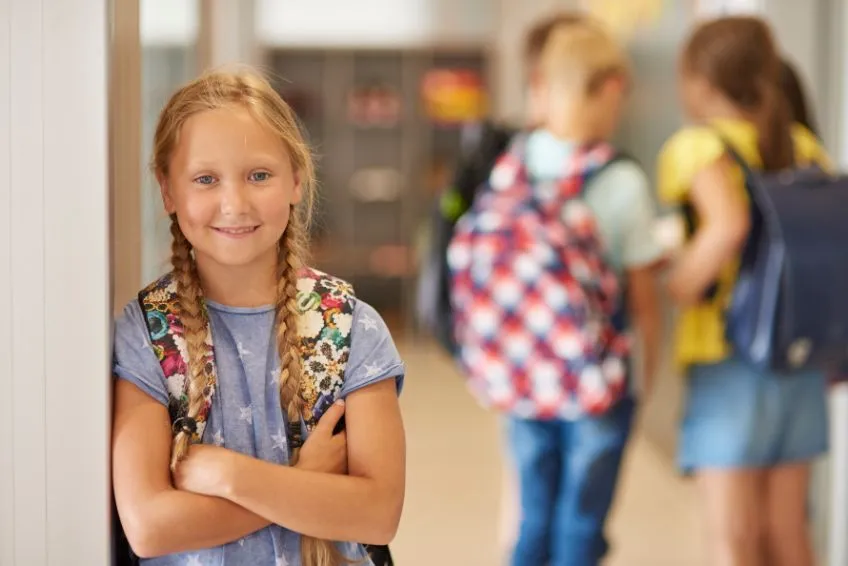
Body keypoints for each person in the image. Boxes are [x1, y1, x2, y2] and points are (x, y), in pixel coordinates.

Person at [111, 68, 406, 566]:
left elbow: (378, 514)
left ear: (296, 179)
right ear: (167, 191)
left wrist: (231, 476)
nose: (235, 203)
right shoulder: (147, 332)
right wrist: (303, 481)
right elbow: (150, 527)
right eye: (206, 179)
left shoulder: (353, 327)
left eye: (259, 175)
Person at [658, 17, 830, 566]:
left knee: (733, 537)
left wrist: (681, 284)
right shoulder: (804, 145)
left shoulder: (696, 145)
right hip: (798, 358)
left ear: (700, 83)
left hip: (728, 358)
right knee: (787, 531)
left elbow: (727, 224)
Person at [495, 17, 664, 566]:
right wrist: (646, 379)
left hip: (524, 376)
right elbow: (642, 303)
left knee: (534, 515)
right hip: (597, 381)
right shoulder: (622, 181)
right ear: (611, 87)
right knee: (581, 523)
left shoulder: (513, 165)